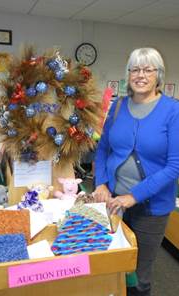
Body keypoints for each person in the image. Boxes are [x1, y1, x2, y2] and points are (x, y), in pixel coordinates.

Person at [93, 47, 179, 296]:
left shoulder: (173, 111)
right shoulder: (118, 106)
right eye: (135, 69)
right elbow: (102, 150)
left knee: (138, 277)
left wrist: (133, 196)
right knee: (109, 267)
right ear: (128, 74)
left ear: (158, 75)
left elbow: (174, 166)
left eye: (148, 69)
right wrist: (100, 184)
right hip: (112, 201)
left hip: (150, 209)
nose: (141, 75)